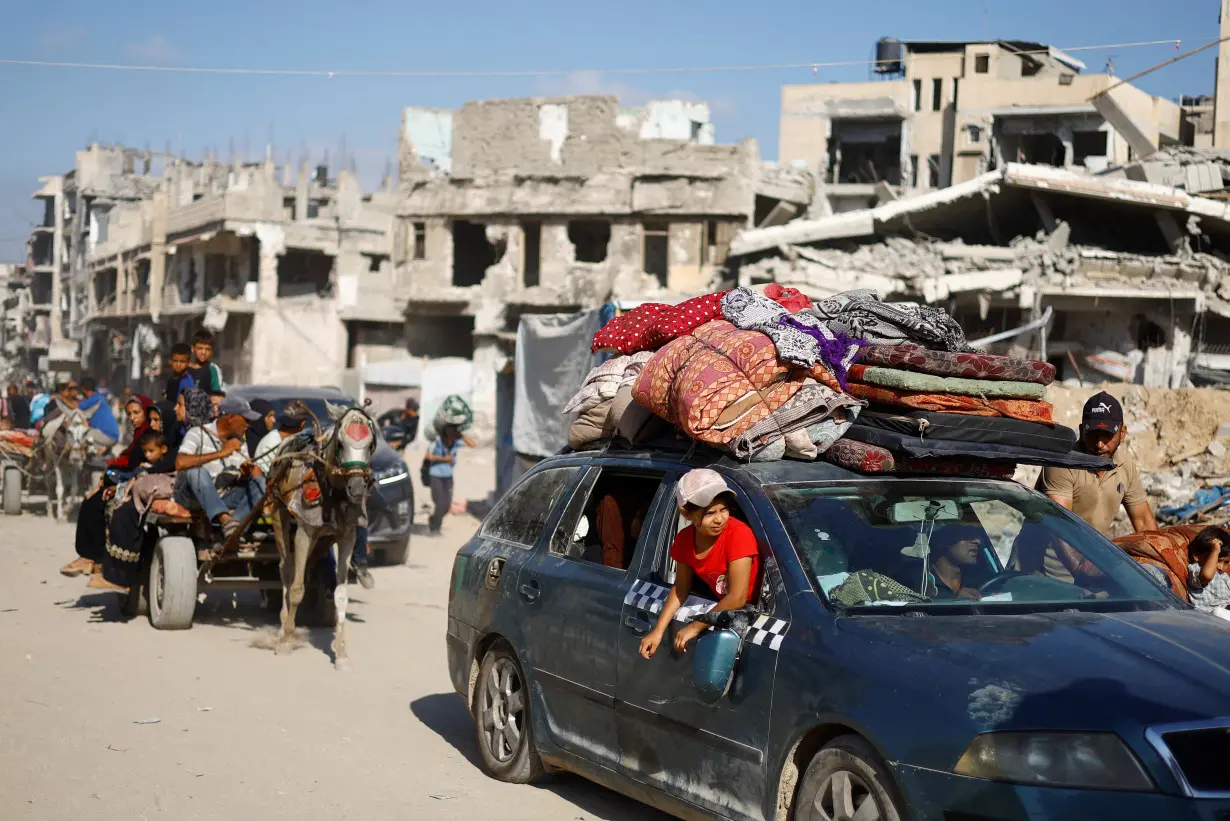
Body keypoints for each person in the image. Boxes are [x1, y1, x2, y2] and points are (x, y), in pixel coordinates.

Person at [639, 469, 759, 659]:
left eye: (724, 509)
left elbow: (737, 597)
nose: (719, 519)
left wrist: (695, 626)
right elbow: (681, 587)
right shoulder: (684, 540)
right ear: (686, 513)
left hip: (752, 616)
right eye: (710, 513)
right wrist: (658, 631)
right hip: (722, 611)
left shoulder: (739, 535)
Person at [1039, 392, 1157, 580]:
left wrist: (1158, 562)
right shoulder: (1063, 462)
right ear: (1081, 430)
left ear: (1123, 433)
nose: (1100, 444)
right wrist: (1083, 571)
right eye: (1093, 435)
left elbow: (1143, 521)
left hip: (1094, 562)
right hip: (1050, 569)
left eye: (1108, 436)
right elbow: (1060, 525)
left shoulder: (1124, 464)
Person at [173, 391, 264, 539]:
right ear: (231, 417)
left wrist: (246, 472)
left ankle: (235, 529)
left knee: (259, 483)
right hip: (195, 497)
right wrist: (222, 453)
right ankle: (225, 521)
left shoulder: (240, 442)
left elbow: (248, 475)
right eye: (246, 419)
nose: (249, 424)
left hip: (224, 495)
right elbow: (180, 462)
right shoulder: (197, 433)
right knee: (196, 472)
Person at [425, 424, 475, 535]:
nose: (452, 433)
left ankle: (433, 519)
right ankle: (435, 529)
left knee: (447, 506)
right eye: (450, 431)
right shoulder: (437, 441)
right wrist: (443, 459)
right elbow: (429, 456)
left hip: (448, 476)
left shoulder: (456, 442)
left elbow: (473, 444)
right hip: (436, 475)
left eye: (454, 431)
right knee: (440, 504)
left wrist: (462, 435)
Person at [925, 526, 985, 601]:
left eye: (978, 536)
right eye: (968, 535)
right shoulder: (920, 584)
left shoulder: (981, 581)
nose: (977, 541)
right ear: (945, 540)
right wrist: (956, 600)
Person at [1187, 526, 1230, 616]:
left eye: (1226, 562)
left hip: (1226, 611)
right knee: (1218, 611)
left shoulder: (1223, 576)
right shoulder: (1196, 569)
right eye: (1217, 560)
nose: (1221, 567)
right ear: (1197, 556)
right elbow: (1207, 576)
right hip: (1210, 615)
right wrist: (1215, 551)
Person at [77, 377, 120, 453]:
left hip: (107, 436)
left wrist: (61, 398)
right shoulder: (99, 397)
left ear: (84, 389)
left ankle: (99, 451)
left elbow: (77, 406)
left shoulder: (94, 399)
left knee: (82, 435)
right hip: (112, 435)